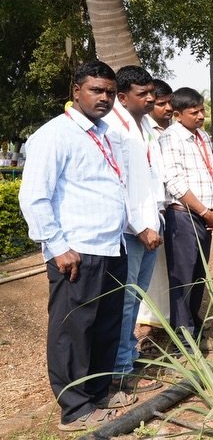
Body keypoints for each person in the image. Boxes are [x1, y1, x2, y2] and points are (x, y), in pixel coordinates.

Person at [18, 61, 132, 431]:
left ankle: (98, 392)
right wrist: (56, 244)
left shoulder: (104, 133)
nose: (105, 98)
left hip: (111, 246)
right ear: (76, 91)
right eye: (96, 91)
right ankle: (75, 407)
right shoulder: (55, 135)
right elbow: (34, 197)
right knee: (74, 329)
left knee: (104, 325)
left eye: (110, 92)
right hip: (77, 249)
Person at [103, 66, 164, 393]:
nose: (151, 98)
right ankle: (119, 367)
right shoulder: (114, 130)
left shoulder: (145, 127)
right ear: (123, 97)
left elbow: (151, 177)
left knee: (136, 298)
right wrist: (140, 226)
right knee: (126, 300)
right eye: (143, 94)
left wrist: (157, 219)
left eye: (151, 92)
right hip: (132, 231)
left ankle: (128, 355)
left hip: (151, 224)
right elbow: (118, 185)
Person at [159, 87, 213, 353]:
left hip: (203, 216)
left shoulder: (200, 136)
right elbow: (174, 182)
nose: (201, 116)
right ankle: (182, 340)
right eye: (194, 112)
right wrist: (204, 212)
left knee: (199, 276)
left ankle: (194, 329)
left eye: (202, 110)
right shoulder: (171, 139)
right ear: (177, 114)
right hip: (184, 216)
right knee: (183, 278)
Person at [134, 78, 174, 352]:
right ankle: (147, 322)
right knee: (151, 270)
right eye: (161, 103)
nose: (167, 108)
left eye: (170, 102)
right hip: (147, 214)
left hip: (171, 209)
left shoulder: (175, 130)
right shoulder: (143, 131)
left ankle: (170, 318)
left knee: (170, 267)